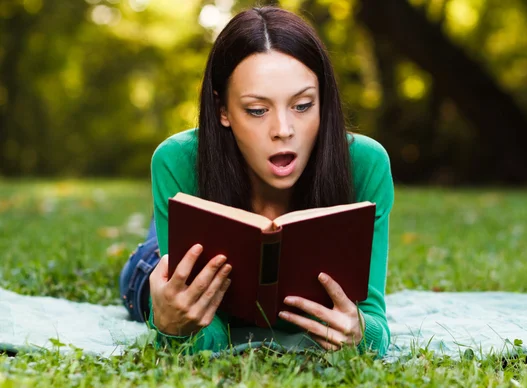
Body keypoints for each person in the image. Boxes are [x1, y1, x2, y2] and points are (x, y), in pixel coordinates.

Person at [119, 6, 394, 357]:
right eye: (257, 110)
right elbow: (200, 337)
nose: (283, 130)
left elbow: (374, 323)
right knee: (148, 275)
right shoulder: (177, 160)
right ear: (223, 110)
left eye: (303, 105)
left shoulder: (366, 165)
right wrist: (174, 328)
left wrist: (360, 333)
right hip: (153, 260)